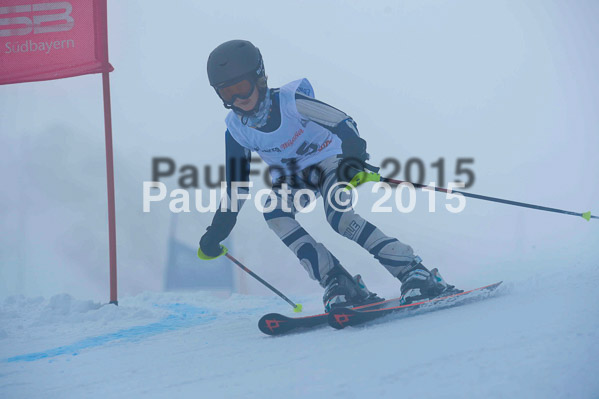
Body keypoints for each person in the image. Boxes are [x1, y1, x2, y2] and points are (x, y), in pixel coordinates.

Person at [198, 39, 459, 311]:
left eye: (242, 88)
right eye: (228, 94)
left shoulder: (290, 102)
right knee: (274, 212)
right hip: (294, 176)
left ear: (259, 78)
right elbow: (237, 185)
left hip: (330, 161)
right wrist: (218, 230)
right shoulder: (237, 129)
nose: (239, 99)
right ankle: (337, 280)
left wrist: (354, 157)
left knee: (340, 218)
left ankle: (414, 271)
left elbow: (343, 122)